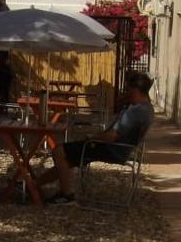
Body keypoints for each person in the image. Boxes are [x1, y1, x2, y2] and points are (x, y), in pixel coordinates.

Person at [37, 71, 155, 205]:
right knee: (67, 159)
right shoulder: (148, 109)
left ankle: (67, 195)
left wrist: (93, 137)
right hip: (122, 150)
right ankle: (34, 185)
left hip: (111, 149)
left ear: (135, 90)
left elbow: (112, 136)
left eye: (128, 90)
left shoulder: (135, 111)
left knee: (59, 151)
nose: (126, 93)